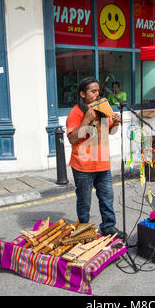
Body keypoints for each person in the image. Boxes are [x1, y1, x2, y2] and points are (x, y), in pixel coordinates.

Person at [66, 76, 124, 238]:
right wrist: (87, 119)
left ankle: (108, 227)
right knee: (84, 202)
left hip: (103, 164)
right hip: (83, 165)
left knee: (107, 199)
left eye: (98, 91)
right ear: (83, 94)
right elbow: (72, 139)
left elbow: (110, 132)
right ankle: (83, 229)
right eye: (93, 91)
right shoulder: (75, 113)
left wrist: (116, 123)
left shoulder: (103, 109)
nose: (97, 94)